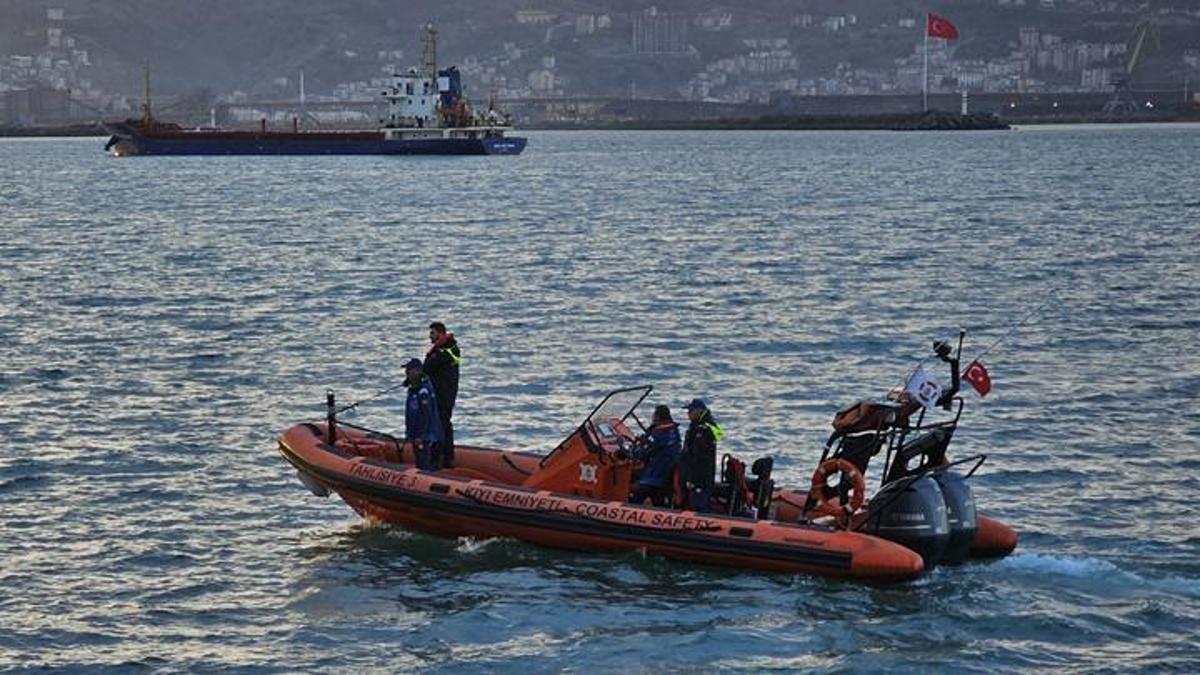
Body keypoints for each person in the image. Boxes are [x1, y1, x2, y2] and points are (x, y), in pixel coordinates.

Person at [423, 321, 462, 467]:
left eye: (432, 333)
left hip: (443, 394)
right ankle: (444, 456)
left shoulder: (446, 350)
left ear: (440, 333)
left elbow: (428, 367)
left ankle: (441, 458)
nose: (430, 336)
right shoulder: (444, 349)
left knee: (441, 424)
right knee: (443, 424)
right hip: (442, 392)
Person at [627, 405, 681, 507]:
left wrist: (633, 450)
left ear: (658, 417)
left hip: (654, 477)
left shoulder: (658, 435)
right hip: (667, 475)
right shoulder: (674, 431)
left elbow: (642, 453)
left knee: (635, 493)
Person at [680, 398, 724, 513]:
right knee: (697, 500)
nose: (688, 414)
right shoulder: (702, 427)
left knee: (699, 503)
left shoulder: (702, 430)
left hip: (700, 476)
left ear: (698, 411)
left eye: (690, 411)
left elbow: (698, 457)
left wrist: (691, 477)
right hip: (703, 474)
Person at [404, 357, 445, 471]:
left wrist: (420, 435)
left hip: (424, 435)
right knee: (419, 459)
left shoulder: (423, 391)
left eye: (409, 370)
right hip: (415, 432)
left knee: (423, 461)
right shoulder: (414, 390)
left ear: (417, 371)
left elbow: (425, 415)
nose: (406, 373)